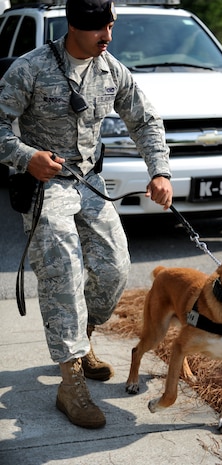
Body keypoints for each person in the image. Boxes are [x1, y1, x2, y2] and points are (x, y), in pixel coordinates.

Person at [0, 0, 173, 429]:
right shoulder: (30, 68)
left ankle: (83, 339)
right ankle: (71, 380)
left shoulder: (112, 70)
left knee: (115, 268)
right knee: (63, 270)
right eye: (99, 30)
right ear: (73, 27)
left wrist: (160, 171)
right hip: (46, 185)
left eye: (111, 27)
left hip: (90, 183)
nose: (107, 37)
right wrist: (26, 156)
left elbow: (145, 120)